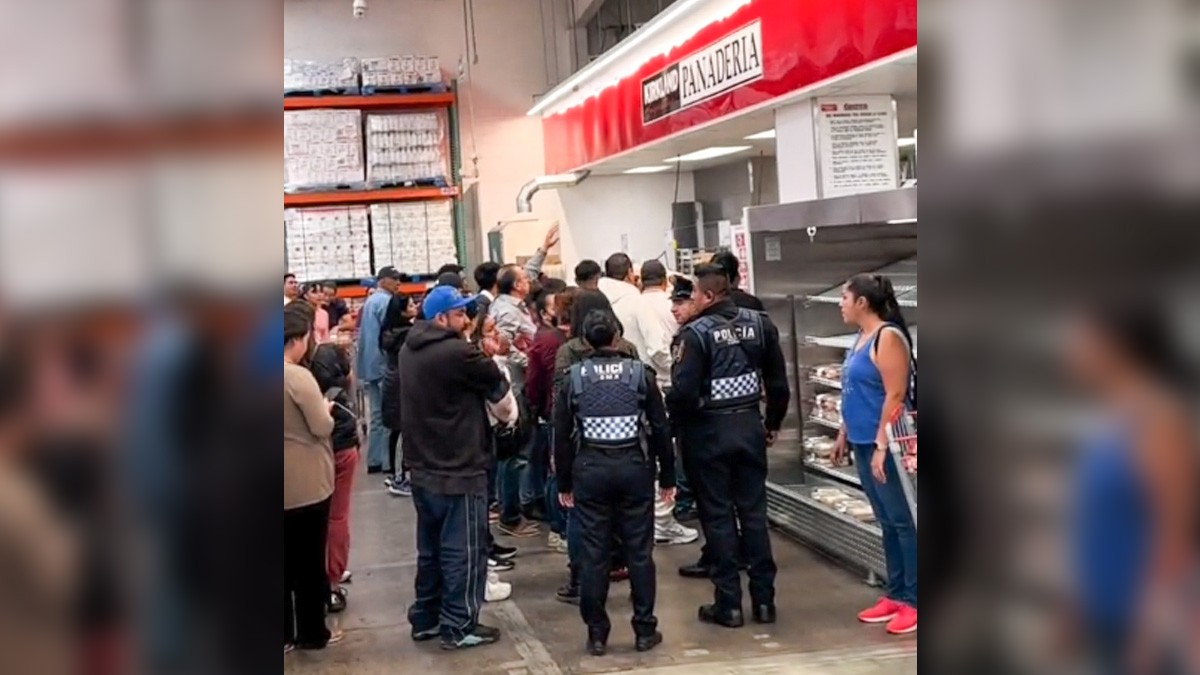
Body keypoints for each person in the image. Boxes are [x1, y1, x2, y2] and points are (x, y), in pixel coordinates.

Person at [1062, 302, 1197, 673]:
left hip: (1143, 625)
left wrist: (1151, 629)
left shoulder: (1160, 421)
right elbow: (1094, 521)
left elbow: (1175, 532)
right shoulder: (1108, 418)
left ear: (1118, 347)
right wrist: (1077, 606)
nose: (1074, 350)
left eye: (1086, 339)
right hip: (1106, 615)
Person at [668, 263, 790, 628]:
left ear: (708, 295)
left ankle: (729, 604)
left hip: (708, 435)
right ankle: (765, 602)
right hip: (749, 427)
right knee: (754, 514)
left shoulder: (695, 334)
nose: (692, 300)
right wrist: (771, 424)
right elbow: (779, 384)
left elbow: (684, 393)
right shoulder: (760, 325)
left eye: (694, 294)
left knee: (717, 517)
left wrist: (679, 430)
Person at [399, 286, 518, 651]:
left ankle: (427, 617)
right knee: (463, 551)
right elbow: (500, 392)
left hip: (422, 465)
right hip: (459, 466)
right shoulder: (458, 353)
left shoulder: (409, 348)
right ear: (440, 318)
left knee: (431, 549)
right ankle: (458, 624)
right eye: (459, 314)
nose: (466, 320)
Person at [554, 310, 674, 656]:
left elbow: (561, 435)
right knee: (639, 552)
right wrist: (668, 475)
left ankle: (597, 633)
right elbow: (660, 427)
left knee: (594, 554)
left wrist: (564, 482)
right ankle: (644, 629)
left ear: (585, 340)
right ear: (617, 338)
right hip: (634, 469)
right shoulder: (640, 374)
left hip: (590, 470)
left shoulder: (573, 378)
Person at [284, 305, 342, 650]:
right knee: (307, 560)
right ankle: (312, 632)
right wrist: (327, 410)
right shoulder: (297, 377)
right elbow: (320, 426)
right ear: (297, 339)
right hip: (304, 480)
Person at [489, 263, 543, 538]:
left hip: (518, 383)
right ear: (517, 286)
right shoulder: (509, 312)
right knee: (517, 454)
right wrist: (528, 361)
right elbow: (502, 346)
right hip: (516, 386)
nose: (528, 281)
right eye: (524, 279)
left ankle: (511, 505)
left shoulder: (510, 305)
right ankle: (510, 513)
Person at [308, 341, 359, 612]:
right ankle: (332, 578)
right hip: (341, 449)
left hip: (311, 454)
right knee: (337, 517)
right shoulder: (342, 394)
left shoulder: (299, 380)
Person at [357, 266, 403, 475]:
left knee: (376, 414)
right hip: (384, 364)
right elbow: (389, 334)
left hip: (371, 364)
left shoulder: (371, 301)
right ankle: (387, 461)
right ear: (382, 280)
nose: (398, 282)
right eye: (394, 279)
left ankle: (374, 459)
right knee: (388, 414)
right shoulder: (385, 302)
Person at [380, 292, 416, 496]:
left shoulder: (388, 331)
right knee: (403, 429)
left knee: (395, 431)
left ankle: (395, 473)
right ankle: (400, 477)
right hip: (402, 383)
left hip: (391, 380)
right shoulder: (407, 333)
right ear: (402, 312)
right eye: (410, 305)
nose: (415, 307)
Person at [597, 253, 644, 358]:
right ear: (629, 272)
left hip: (599, 361)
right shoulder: (636, 299)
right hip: (632, 360)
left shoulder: (596, 295)